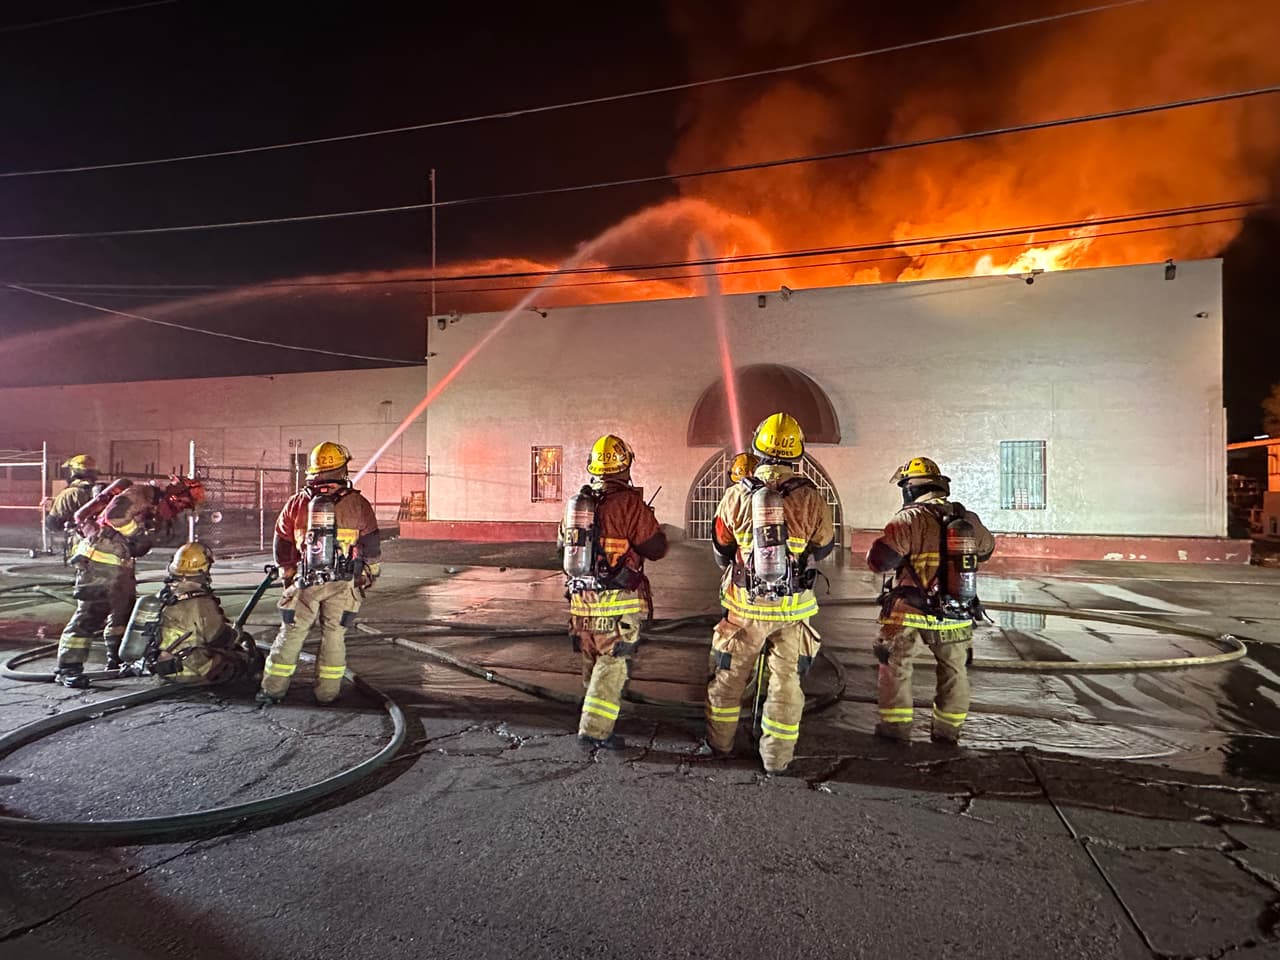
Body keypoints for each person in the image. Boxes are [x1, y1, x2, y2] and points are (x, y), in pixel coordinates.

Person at [699, 413, 835, 775]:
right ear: (797, 452)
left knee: (729, 679)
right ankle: (776, 759)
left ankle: (720, 745)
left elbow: (720, 551)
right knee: (787, 684)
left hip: (744, 610)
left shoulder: (736, 495)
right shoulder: (812, 498)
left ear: (758, 448)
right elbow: (823, 550)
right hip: (793, 612)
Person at [866, 457, 995, 744]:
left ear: (911, 488)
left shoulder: (909, 519)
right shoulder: (966, 519)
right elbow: (987, 549)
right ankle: (948, 731)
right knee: (954, 670)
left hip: (908, 611)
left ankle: (895, 730)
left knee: (895, 666)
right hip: (955, 610)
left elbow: (879, 561)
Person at [559, 434, 667, 749]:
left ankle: (591, 718)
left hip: (581, 603)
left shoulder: (578, 505)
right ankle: (594, 731)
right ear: (626, 466)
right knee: (613, 664)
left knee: (591, 660)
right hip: (616, 605)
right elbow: (656, 548)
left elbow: (560, 550)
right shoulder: (629, 504)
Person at [258, 442, 380, 706]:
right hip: (343, 582)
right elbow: (372, 546)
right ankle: (327, 694)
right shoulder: (357, 503)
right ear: (342, 468)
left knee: (291, 633)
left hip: (305, 580)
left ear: (314, 470)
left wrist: (288, 573)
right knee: (334, 635)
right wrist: (366, 575)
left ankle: (272, 690)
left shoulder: (298, 501)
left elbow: (281, 542)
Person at [55, 476, 206, 687]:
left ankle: (116, 661)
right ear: (176, 494)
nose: (181, 509)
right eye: (183, 503)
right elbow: (115, 516)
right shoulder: (142, 493)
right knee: (90, 614)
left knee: (122, 613)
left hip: (119, 563)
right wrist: (137, 534)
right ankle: (68, 668)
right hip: (98, 559)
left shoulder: (154, 506)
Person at [119, 542, 255, 684]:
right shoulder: (200, 602)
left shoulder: (164, 594)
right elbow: (219, 638)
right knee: (243, 661)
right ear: (204, 569)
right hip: (186, 669)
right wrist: (237, 634)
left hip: (160, 666)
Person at [44, 455, 100, 557]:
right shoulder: (102, 491)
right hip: (105, 545)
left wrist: (53, 506)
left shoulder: (69, 493)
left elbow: (53, 524)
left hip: (82, 548)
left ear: (74, 472)